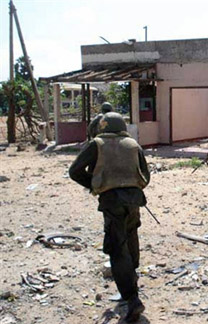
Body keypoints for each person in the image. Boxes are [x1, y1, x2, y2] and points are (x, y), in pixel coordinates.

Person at [69, 112, 150, 323]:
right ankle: (132, 279)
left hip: (112, 201)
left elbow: (74, 171)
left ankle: (132, 299)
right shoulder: (133, 144)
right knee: (131, 237)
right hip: (134, 199)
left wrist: (97, 184)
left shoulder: (96, 144)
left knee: (117, 247)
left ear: (102, 126)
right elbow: (145, 176)